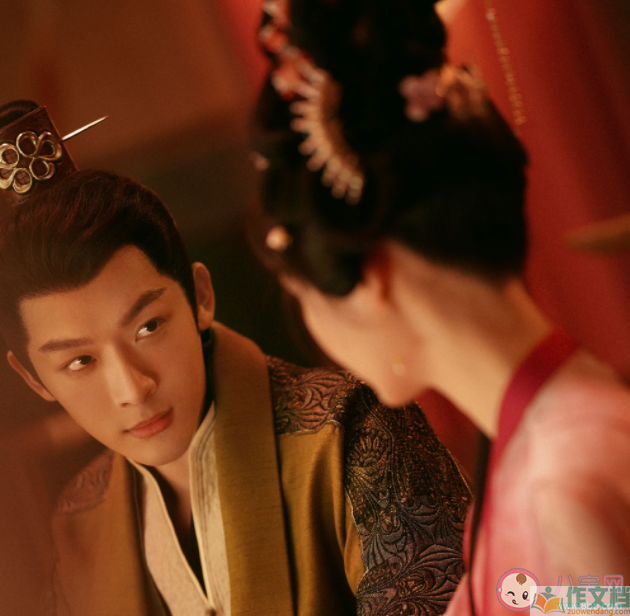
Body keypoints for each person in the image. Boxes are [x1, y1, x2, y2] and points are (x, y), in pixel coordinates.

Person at [0, 99, 471, 616]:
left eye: (148, 327)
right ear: (33, 378)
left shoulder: (351, 434)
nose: (132, 389)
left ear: (200, 296)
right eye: (79, 362)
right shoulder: (78, 521)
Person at [248, 0, 630, 613]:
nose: (319, 337)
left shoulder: (560, 487)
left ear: (374, 280)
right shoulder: (563, 442)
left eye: (304, 300)